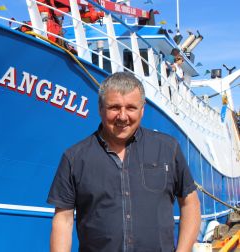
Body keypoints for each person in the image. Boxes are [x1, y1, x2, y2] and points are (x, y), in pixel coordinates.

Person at [47, 72, 201, 252]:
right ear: (100, 108)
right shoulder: (74, 158)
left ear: (142, 109)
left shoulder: (168, 148)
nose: (122, 116)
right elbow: (63, 219)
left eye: (131, 108)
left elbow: (190, 203)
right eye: (114, 107)